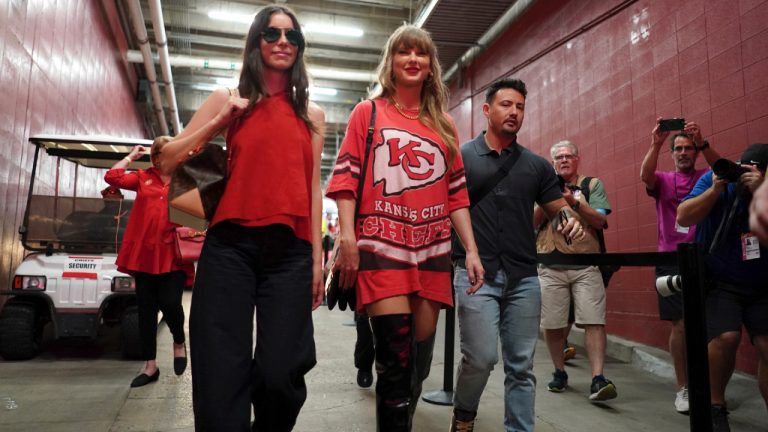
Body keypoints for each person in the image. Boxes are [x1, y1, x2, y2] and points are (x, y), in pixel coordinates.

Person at [159, 5, 325, 430]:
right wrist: (220, 121)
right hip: (229, 247)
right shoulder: (227, 100)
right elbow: (166, 161)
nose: (283, 41)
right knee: (219, 370)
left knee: (281, 371)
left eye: (293, 36)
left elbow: (311, 186)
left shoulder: (313, 116)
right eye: (272, 33)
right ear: (256, 42)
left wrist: (318, 262)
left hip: (290, 253)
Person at [325, 24, 484, 431]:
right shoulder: (370, 112)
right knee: (394, 362)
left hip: (431, 251)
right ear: (391, 64)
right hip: (381, 248)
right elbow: (346, 179)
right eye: (404, 53)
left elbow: (457, 196)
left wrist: (472, 250)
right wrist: (347, 238)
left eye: (421, 54)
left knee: (418, 363)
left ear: (430, 67)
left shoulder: (444, 124)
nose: (413, 59)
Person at [451, 78, 585, 432]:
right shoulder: (461, 157)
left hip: (524, 277)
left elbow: (557, 207)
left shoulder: (536, 165)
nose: (514, 112)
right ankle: (464, 413)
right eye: (506, 104)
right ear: (486, 110)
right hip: (475, 275)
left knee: (521, 364)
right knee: (480, 358)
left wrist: (568, 219)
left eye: (520, 107)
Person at [677, 143, 768, 432]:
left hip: (762, 283)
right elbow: (684, 216)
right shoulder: (715, 179)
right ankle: (715, 405)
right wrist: (716, 189)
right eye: (743, 167)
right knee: (726, 337)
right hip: (720, 281)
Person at [639, 119, 721, 413]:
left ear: (695, 152)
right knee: (680, 324)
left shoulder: (705, 174)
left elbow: (722, 169)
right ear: (672, 153)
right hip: (671, 258)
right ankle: (683, 388)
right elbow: (644, 175)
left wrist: (704, 142)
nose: (684, 152)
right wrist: (656, 143)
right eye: (679, 149)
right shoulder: (663, 179)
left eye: (689, 148)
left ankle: (711, 388)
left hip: (705, 256)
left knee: (712, 324)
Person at [104, 136, 193, 387]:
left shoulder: (185, 179)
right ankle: (150, 366)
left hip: (173, 254)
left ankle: (178, 340)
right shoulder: (143, 177)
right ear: (157, 157)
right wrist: (132, 157)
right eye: (168, 152)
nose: (174, 156)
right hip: (144, 255)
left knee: (171, 303)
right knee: (146, 311)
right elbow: (112, 177)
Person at [534, 140, 616, 401]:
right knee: (553, 325)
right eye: (559, 157)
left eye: (569, 156)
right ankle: (559, 372)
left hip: (585, 265)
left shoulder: (592, 185)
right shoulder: (541, 188)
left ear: (577, 159)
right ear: (553, 163)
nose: (564, 160)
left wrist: (575, 203)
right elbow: (531, 223)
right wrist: (551, 200)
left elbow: (601, 220)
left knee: (594, 320)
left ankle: (598, 378)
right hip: (550, 265)